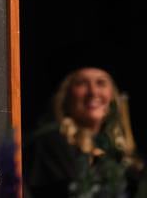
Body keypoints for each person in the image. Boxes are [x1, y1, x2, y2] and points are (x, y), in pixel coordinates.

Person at [24, 66, 145, 197]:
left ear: (112, 96)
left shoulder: (118, 153)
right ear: (66, 96)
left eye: (101, 83)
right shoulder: (50, 144)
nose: (93, 92)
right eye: (81, 83)